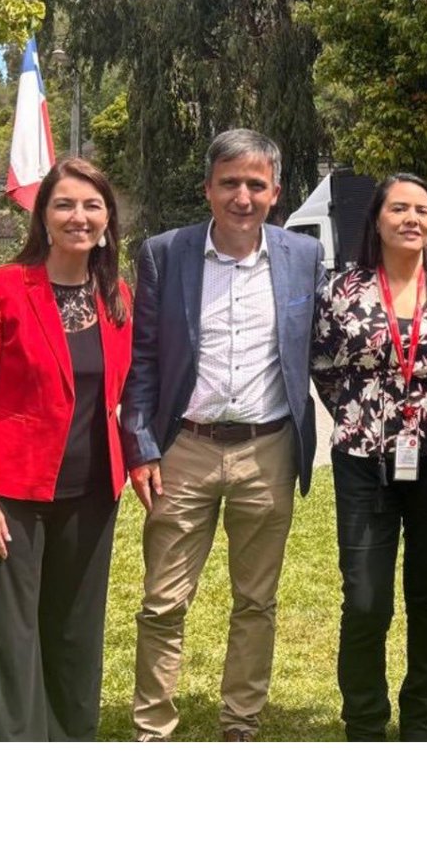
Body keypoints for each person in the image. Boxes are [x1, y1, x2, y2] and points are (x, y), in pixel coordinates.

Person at [121, 129, 325, 742]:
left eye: (255, 185)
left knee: (256, 601)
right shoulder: (165, 253)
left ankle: (241, 723)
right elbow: (145, 360)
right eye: (230, 183)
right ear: (208, 188)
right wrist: (141, 444)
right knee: (163, 602)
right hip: (183, 450)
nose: (243, 196)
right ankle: (152, 727)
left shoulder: (303, 257)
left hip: (268, 449)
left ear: (276, 193)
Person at [0, 159, 132, 741]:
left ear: (107, 218)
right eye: (65, 205)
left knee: (75, 637)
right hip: (8, 498)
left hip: (92, 494)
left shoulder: (117, 295)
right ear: (43, 215)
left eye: (92, 205)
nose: (79, 217)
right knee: (10, 644)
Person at [312, 174, 427, 741]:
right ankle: (364, 721)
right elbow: (323, 365)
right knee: (364, 598)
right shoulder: (342, 291)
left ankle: (420, 718)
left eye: (423, 211)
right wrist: (360, 414)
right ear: (377, 219)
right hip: (363, 460)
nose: (412, 219)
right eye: (400, 209)